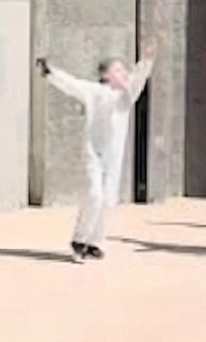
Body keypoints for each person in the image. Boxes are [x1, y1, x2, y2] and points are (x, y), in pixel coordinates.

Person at [36, 49, 152, 261]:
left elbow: (138, 79)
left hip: (113, 157)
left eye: (124, 70)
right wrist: (51, 72)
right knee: (94, 194)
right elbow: (72, 85)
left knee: (108, 200)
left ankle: (95, 242)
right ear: (106, 74)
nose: (124, 73)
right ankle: (79, 239)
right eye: (118, 70)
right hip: (93, 152)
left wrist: (147, 60)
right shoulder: (94, 91)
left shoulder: (126, 96)